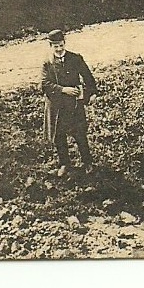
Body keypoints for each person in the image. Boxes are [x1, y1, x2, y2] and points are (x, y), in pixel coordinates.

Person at [41, 29, 98, 177]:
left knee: (80, 134)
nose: (59, 49)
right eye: (55, 46)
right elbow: (45, 84)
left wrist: (92, 93)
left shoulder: (75, 58)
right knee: (59, 135)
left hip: (74, 104)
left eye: (61, 45)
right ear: (50, 46)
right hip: (57, 105)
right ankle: (65, 164)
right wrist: (63, 89)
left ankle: (87, 162)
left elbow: (88, 77)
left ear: (64, 43)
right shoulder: (48, 63)